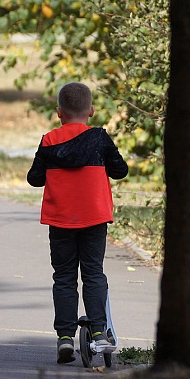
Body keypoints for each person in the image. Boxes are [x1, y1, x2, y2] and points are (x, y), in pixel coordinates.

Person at [27, 82, 129, 364]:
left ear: (59, 112)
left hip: (60, 219)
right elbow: (121, 170)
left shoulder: (49, 140)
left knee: (64, 277)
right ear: (92, 111)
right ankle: (98, 332)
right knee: (94, 273)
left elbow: (34, 178)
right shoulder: (99, 139)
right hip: (94, 218)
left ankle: (64, 337)